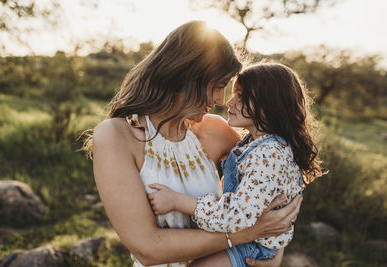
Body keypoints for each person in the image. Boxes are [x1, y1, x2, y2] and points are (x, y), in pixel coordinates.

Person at [83, 21, 302, 267]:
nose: (221, 100)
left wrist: (273, 252)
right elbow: (147, 247)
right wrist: (249, 234)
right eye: (218, 86)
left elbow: (274, 178)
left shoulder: (216, 130)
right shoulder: (117, 135)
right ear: (186, 77)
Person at [148, 62, 323, 266]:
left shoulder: (268, 156)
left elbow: (235, 217)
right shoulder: (259, 145)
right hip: (250, 241)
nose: (229, 102)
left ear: (269, 103)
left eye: (241, 96)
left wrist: (177, 201)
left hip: (249, 248)